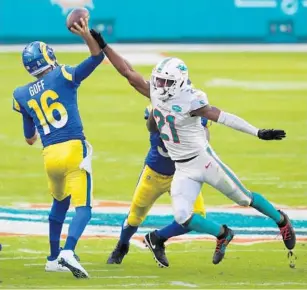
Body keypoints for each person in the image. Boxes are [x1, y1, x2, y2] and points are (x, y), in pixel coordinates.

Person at [89, 29, 296, 267]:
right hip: (182, 168)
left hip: (203, 161)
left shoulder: (191, 100)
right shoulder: (156, 92)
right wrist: (104, 46)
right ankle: (223, 234)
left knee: (243, 198)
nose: (159, 85)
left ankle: (281, 220)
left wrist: (257, 132)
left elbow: (223, 117)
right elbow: (127, 71)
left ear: (178, 82)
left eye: (166, 81)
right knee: (182, 216)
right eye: (159, 79)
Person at [12, 18, 104, 278]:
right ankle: (68, 250)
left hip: (49, 155)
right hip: (74, 148)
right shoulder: (62, 74)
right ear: (47, 56)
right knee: (83, 207)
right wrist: (86, 35)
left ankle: (52, 257)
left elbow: (29, 138)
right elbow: (96, 58)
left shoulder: (21, 93)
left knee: (59, 204)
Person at [107, 104, 209, 267]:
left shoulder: (192, 115)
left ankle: (158, 238)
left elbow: (205, 142)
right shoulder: (158, 112)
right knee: (134, 217)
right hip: (154, 174)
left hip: (182, 175)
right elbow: (151, 125)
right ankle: (122, 245)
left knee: (197, 217)